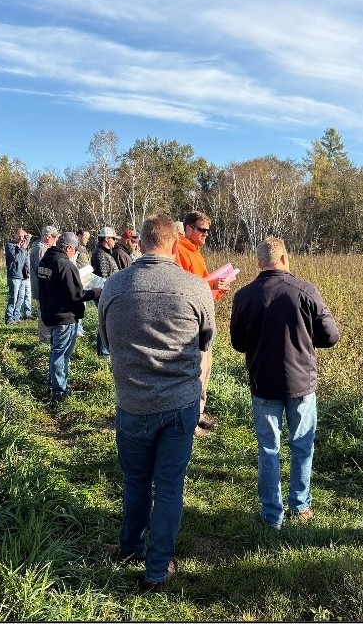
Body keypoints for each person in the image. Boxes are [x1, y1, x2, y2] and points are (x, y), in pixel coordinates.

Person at [98, 214, 215, 588]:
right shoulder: (195, 288)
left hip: (132, 402)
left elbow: (106, 340)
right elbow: (205, 344)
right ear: (175, 244)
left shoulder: (115, 286)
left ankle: (131, 545)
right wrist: (202, 393)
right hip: (179, 404)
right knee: (168, 488)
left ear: (140, 242)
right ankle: (157, 566)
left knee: (135, 483)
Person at [230, 237, 339, 529]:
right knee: (302, 445)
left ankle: (271, 515)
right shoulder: (305, 291)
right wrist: (305, 337)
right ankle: (300, 506)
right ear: (285, 258)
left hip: (262, 381)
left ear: (258, 264)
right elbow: (330, 336)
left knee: (268, 448)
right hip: (301, 381)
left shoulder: (244, 296)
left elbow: (238, 343)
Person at [175, 210, 232, 436]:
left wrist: (218, 289)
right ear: (188, 228)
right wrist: (209, 286)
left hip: (204, 321)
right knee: (193, 372)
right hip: (190, 324)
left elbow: (204, 289)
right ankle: (190, 422)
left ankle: (197, 413)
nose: (206, 234)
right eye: (202, 230)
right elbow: (185, 289)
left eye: (208, 230)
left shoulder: (196, 253)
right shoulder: (179, 251)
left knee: (204, 370)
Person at [38, 232, 101, 400]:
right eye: (75, 250)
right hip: (64, 316)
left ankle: (54, 384)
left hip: (50, 313)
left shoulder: (45, 260)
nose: (76, 253)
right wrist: (94, 292)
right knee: (61, 353)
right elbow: (76, 294)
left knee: (55, 351)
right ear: (67, 247)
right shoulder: (64, 264)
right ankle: (60, 391)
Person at [91, 226, 121, 357]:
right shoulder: (101, 255)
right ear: (107, 239)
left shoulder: (103, 252)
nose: (115, 241)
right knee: (106, 324)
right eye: (113, 239)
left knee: (104, 323)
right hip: (105, 294)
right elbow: (105, 278)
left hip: (106, 293)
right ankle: (103, 354)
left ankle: (101, 352)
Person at [30, 225, 60, 343]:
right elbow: (43, 269)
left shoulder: (42, 248)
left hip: (45, 288)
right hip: (42, 289)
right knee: (43, 315)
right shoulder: (40, 249)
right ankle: (44, 340)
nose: (56, 240)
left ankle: (47, 337)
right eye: (55, 238)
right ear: (48, 237)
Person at [4, 228, 29, 324]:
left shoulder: (24, 246)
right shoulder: (10, 246)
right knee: (13, 298)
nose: (21, 238)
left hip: (23, 276)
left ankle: (16, 316)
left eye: (23, 236)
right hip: (14, 275)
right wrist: (22, 248)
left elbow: (25, 260)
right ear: (14, 235)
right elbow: (16, 259)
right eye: (19, 236)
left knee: (21, 298)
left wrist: (27, 272)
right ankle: (9, 317)